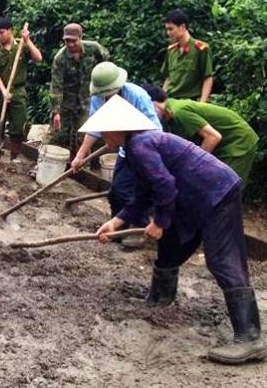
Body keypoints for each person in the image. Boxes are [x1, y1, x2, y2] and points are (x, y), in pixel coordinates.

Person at [90, 95, 267, 365]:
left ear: (118, 128)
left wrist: (159, 222)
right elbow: (143, 194)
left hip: (216, 194)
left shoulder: (140, 145)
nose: (103, 137)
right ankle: (161, 299)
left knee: (222, 259)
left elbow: (164, 186)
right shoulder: (138, 146)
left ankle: (251, 336)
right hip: (195, 197)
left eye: (104, 131)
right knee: (172, 245)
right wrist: (116, 222)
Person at [71, 62, 162, 231]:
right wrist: (80, 155)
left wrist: (130, 138)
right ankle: (116, 229)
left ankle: (138, 228)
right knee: (116, 192)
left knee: (132, 191)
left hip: (144, 151)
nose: (106, 96)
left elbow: (155, 129)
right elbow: (95, 127)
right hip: (124, 151)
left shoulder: (137, 96)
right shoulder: (98, 98)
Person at [142, 84, 258, 184]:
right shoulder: (169, 117)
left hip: (238, 141)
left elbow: (213, 137)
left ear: (153, 103)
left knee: (227, 189)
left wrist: (193, 166)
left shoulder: (179, 111)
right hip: (224, 145)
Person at [0, 18, 42, 159]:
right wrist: (4, 91)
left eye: (1, 33)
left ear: (10, 31)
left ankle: (14, 158)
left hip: (18, 91)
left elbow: (38, 58)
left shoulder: (22, 46)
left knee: (17, 128)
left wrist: (28, 40)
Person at [49, 22, 110, 152]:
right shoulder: (60, 58)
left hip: (88, 98)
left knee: (84, 133)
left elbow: (106, 67)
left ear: (81, 37)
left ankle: (84, 165)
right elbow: (56, 86)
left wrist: (105, 91)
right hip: (67, 100)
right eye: (67, 41)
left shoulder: (94, 49)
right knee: (58, 135)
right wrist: (56, 111)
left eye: (73, 41)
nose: (70, 44)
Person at [161, 9, 213, 102]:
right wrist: (162, 99)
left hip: (190, 102)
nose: (168, 33)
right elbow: (168, 78)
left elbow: (208, 78)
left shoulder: (200, 49)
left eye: (171, 29)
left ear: (182, 27)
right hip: (171, 100)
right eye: (167, 29)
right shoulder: (171, 51)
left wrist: (202, 104)